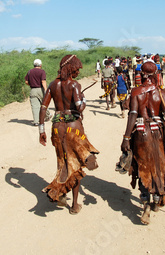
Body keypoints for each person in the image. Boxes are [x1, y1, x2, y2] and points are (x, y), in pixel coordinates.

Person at [120, 61, 165, 225]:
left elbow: (133, 114)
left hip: (141, 133)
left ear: (142, 74)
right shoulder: (161, 93)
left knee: (142, 167)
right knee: (158, 166)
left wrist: (126, 137)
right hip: (157, 134)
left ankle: (146, 205)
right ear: (157, 74)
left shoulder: (136, 92)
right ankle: (157, 199)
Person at [38, 54, 99, 215]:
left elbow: (43, 107)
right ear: (70, 68)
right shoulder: (74, 85)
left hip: (57, 128)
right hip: (73, 128)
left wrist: (41, 130)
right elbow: (79, 107)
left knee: (63, 162)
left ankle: (61, 193)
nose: (78, 72)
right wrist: (83, 99)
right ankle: (74, 204)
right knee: (75, 164)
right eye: (76, 69)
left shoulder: (52, 85)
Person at [25, 59, 50, 126]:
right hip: (41, 89)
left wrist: (32, 84)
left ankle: (36, 121)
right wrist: (46, 90)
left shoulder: (30, 72)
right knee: (44, 104)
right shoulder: (42, 71)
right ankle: (47, 116)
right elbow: (43, 81)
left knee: (35, 106)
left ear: (34, 65)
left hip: (33, 90)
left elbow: (26, 82)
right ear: (40, 65)